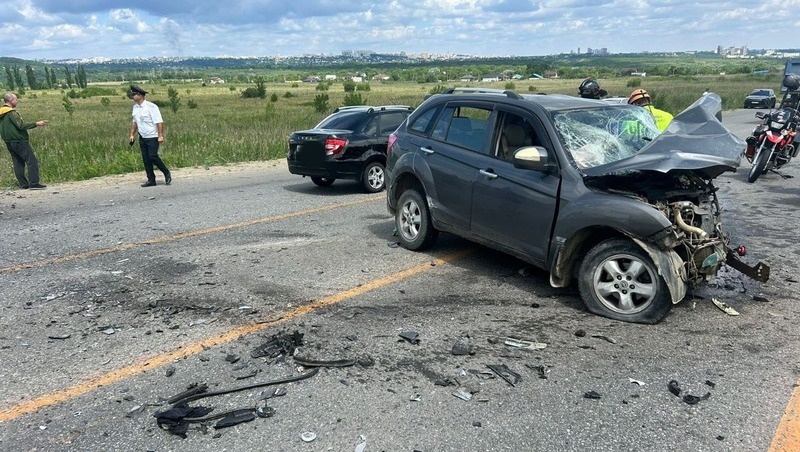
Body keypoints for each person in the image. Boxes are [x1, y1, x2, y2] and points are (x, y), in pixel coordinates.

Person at [0, 92, 48, 189]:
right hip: (18, 140)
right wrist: (36, 123)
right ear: (11, 101)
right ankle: (34, 183)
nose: (17, 101)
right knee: (32, 161)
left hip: (8, 141)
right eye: (16, 99)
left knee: (18, 162)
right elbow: (21, 126)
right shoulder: (11, 113)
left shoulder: (1, 113)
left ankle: (23, 184)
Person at [128, 85, 170, 187]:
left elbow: (159, 122)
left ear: (139, 95)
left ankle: (166, 172)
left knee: (153, 156)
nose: (132, 97)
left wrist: (160, 135)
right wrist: (132, 134)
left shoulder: (151, 107)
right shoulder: (135, 107)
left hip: (152, 136)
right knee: (146, 159)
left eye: (133, 95)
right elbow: (135, 122)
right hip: (142, 136)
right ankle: (151, 180)